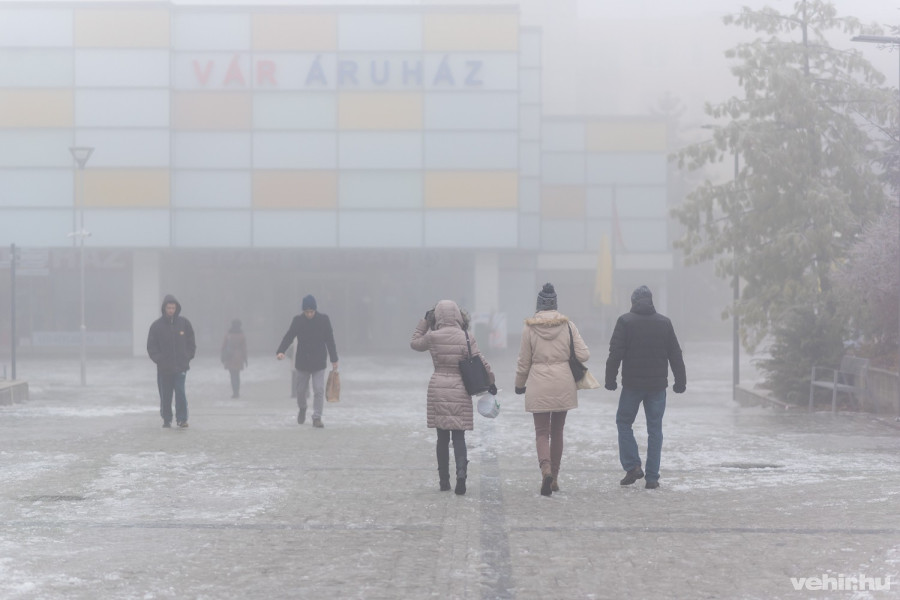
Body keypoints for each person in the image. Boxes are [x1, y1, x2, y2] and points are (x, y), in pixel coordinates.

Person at [411, 300, 496, 496]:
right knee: (459, 436)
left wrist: (424, 322)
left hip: (438, 389)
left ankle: (443, 481)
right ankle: (461, 472)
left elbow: (414, 343)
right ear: (458, 315)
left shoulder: (432, 337)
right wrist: (491, 380)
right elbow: (481, 361)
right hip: (460, 389)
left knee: (442, 438)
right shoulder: (466, 336)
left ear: (437, 316)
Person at [605, 285, 686, 490]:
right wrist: (680, 381)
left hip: (632, 386)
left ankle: (633, 466)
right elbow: (675, 353)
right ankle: (652, 478)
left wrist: (610, 379)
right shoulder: (664, 323)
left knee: (624, 422)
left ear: (633, 302)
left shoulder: (625, 322)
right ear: (651, 301)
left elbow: (615, 353)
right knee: (655, 429)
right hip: (657, 386)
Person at [514, 283, 589, 497]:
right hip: (563, 383)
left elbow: (523, 362)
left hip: (538, 384)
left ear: (538, 305)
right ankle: (554, 477)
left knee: (541, 432)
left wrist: (519, 385)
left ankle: (545, 469)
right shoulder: (568, 326)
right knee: (557, 432)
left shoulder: (529, 328)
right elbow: (584, 355)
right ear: (556, 304)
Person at [276, 295, 338, 428]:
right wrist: (281, 351)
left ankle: (317, 417)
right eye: (307, 312)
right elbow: (289, 336)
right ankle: (302, 408)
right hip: (303, 362)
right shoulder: (298, 321)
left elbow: (330, 340)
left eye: (311, 311)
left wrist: (334, 359)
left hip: (319, 361)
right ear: (303, 311)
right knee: (300, 390)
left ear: (315, 310)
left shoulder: (323, 320)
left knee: (319, 389)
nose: (309, 314)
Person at [147, 294, 196, 428]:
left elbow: (191, 342)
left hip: (181, 366)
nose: (171, 310)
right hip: (164, 368)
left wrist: (187, 356)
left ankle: (182, 419)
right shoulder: (156, 326)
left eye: (173, 308)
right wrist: (159, 360)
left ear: (176, 308)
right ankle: (167, 419)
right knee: (166, 395)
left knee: (180, 393)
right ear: (164, 308)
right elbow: (151, 347)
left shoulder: (184, 324)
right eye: (169, 308)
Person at [221, 318, 248, 398]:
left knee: (232, 375)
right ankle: (237, 392)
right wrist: (245, 358)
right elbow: (244, 348)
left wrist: (223, 356)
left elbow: (223, 346)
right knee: (237, 375)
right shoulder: (242, 335)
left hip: (230, 356)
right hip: (238, 357)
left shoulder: (228, 335)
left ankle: (234, 392)